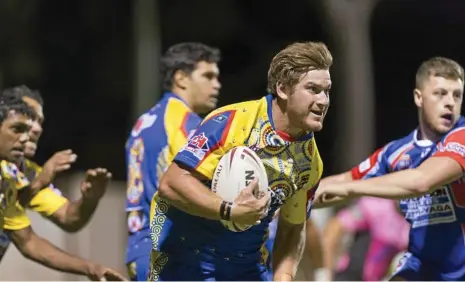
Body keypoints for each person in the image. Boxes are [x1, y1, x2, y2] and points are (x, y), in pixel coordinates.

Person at [149, 41, 332, 281]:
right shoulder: (232, 122)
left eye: (327, 91)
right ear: (283, 89)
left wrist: (284, 276)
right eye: (313, 89)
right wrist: (230, 210)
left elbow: (292, 227)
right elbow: (172, 183)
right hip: (185, 264)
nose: (324, 101)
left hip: (246, 269)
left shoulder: (310, 162)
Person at [314, 56, 465, 281]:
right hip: (421, 265)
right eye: (440, 93)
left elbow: (421, 181)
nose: (450, 102)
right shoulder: (397, 152)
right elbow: (341, 182)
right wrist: (286, 200)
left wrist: (353, 189)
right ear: (419, 97)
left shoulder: (461, 136)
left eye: (457, 95)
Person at [0, 94, 126, 280]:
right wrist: (41, 180)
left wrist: (90, 268)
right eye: (18, 128)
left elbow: (29, 241)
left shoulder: (10, 177)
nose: (28, 135)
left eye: (37, 122)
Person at [125, 42, 221, 281]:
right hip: (171, 253)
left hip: (140, 248)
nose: (217, 84)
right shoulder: (185, 123)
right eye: (208, 76)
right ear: (181, 79)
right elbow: (191, 183)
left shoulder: (144, 122)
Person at [322, 197, 409, 281]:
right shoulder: (374, 206)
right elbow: (334, 230)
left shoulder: (415, 223)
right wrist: (327, 275)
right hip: (349, 275)